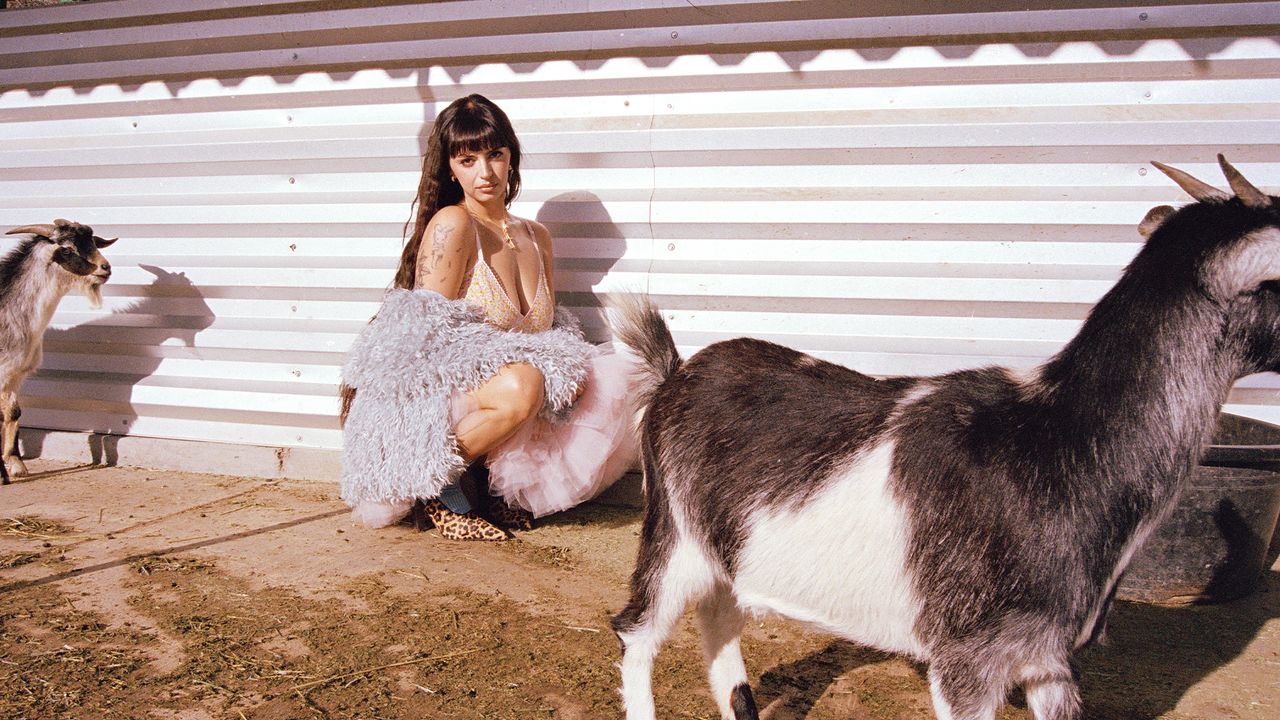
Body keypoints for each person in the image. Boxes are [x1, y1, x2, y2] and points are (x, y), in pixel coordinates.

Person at [338, 94, 638, 540]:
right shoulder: (453, 224)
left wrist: (564, 365)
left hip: (507, 387)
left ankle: (495, 490)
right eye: (468, 159)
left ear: (512, 157)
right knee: (526, 381)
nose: (486, 172)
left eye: (495, 155)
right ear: (451, 168)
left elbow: (548, 332)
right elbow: (425, 336)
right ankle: (437, 486)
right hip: (452, 387)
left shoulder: (536, 236)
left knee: (616, 377)